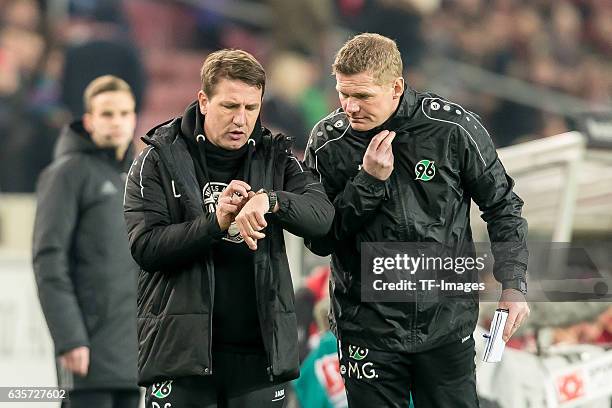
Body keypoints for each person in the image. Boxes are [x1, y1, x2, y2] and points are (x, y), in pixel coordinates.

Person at [304, 33, 530, 408]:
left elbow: (503, 205)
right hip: (367, 328)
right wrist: (367, 183)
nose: (350, 107)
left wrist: (514, 284)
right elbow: (321, 239)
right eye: (344, 94)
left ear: (395, 87)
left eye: (363, 96)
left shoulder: (452, 129)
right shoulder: (328, 141)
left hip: (446, 323)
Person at [123, 49, 334, 407]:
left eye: (251, 108)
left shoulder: (276, 157)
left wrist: (271, 201)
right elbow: (146, 247)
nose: (241, 119)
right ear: (204, 101)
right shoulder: (157, 158)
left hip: (259, 361)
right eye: (229, 106)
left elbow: (322, 219)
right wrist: (214, 223)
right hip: (180, 359)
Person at [32, 75, 140, 408]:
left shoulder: (137, 178)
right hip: (87, 353)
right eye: (107, 114)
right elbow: (49, 260)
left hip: (134, 356)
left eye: (124, 113)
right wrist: (70, 338)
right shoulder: (66, 174)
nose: (117, 122)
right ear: (89, 120)